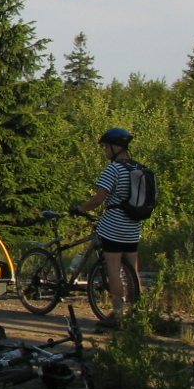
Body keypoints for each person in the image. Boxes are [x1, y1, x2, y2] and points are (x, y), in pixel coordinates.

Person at [72, 127, 141, 329]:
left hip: (114, 224)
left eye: (106, 147)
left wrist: (79, 209)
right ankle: (137, 311)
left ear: (116, 147)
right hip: (133, 225)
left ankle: (117, 314)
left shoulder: (114, 169)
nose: (105, 151)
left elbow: (98, 199)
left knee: (113, 269)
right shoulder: (138, 169)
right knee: (132, 270)